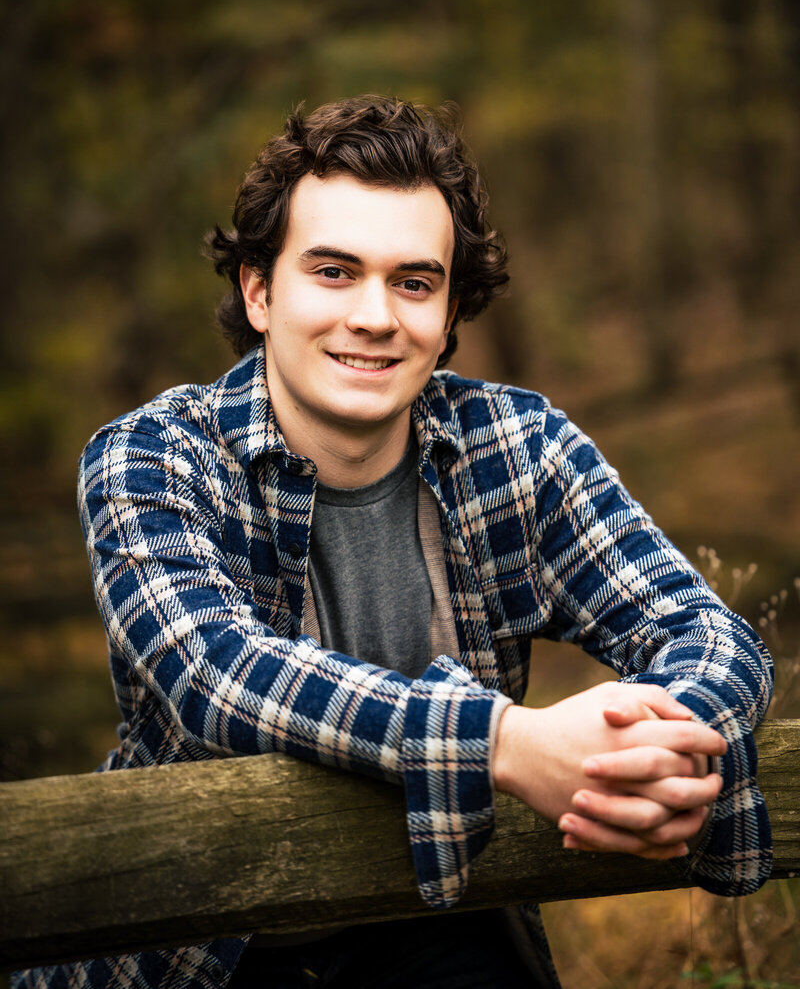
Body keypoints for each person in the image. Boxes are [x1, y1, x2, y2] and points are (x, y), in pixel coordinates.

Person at [14, 95, 773, 989]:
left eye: (414, 282)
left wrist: (656, 746)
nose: (375, 316)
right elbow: (216, 676)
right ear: (260, 290)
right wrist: (509, 746)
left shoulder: (517, 447)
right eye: (334, 272)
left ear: (449, 309)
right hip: (215, 946)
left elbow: (709, 632)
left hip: (444, 921)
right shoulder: (151, 456)